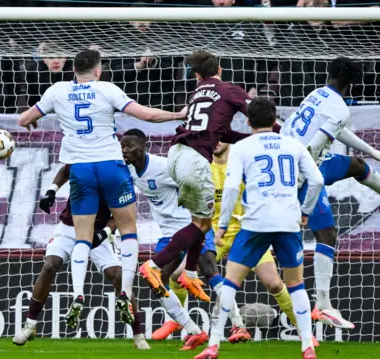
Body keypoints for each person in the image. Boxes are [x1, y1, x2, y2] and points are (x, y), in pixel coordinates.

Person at [17, 49, 185, 331]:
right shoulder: (107, 89)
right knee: (128, 229)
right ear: (98, 70)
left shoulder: (57, 90)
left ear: (73, 70)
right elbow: (146, 115)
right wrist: (178, 113)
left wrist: (30, 120)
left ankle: (78, 292)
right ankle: (125, 288)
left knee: (82, 238)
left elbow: (23, 120)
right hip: (110, 164)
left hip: (81, 168)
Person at [280, 57, 380, 329]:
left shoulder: (318, 94)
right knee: (326, 234)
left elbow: (337, 130)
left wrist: (373, 152)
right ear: (353, 83)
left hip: (297, 159)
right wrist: (307, 182)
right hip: (303, 171)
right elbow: (312, 149)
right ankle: (322, 306)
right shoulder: (339, 107)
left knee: (357, 165)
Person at [195, 97, 323, 359]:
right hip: (288, 222)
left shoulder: (243, 146)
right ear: (274, 119)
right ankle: (308, 345)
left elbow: (231, 188)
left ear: (248, 120)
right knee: (296, 284)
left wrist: (220, 227)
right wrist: (306, 212)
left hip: (255, 223)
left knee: (230, 281)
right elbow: (317, 180)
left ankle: (214, 344)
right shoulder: (293, 144)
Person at [139, 50, 257, 302]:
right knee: (202, 224)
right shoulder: (228, 89)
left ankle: (190, 273)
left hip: (177, 154)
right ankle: (155, 265)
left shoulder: (196, 94)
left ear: (196, 74)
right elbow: (256, 112)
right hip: (195, 160)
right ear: (220, 70)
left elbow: (221, 133)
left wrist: (250, 139)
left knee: (199, 220)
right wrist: (274, 133)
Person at [12, 166, 150, 350]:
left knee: (118, 275)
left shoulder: (116, 174)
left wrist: (106, 232)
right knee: (49, 265)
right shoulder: (84, 158)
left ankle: (139, 336)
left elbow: (123, 214)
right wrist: (51, 191)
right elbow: (65, 171)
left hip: (98, 233)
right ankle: (30, 325)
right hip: (68, 229)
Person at [120, 128, 215, 350]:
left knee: (210, 272)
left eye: (130, 146)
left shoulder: (163, 167)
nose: (125, 150)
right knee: (157, 280)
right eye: (122, 146)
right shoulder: (130, 172)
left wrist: (200, 220)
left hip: (188, 227)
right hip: (167, 233)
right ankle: (193, 330)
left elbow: (195, 184)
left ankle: (235, 325)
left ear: (144, 148)